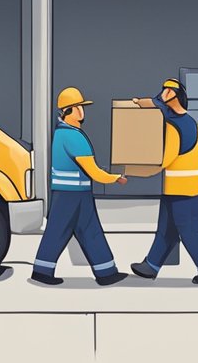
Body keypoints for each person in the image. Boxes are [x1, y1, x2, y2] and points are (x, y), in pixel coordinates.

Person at [129, 78, 198, 286]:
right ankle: (151, 266)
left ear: (175, 95)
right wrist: (138, 103)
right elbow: (155, 103)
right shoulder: (191, 122)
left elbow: (164, 158)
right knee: (167, 230)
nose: (162, 93)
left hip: (183, 190)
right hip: (181, 188)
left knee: (191, 231)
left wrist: (138, 169)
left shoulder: (175, 126)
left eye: (167, 90)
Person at [31, 87, 129, 286]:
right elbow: (93, 171)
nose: (82, 112)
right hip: (70, 196)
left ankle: (106, 272)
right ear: (68, 111)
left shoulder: (64, 133)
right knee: (58, 232)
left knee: (90, 231)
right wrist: (115, 177)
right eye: (78, 107)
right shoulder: (73, 137)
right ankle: (42, 271)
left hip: (76, 194)